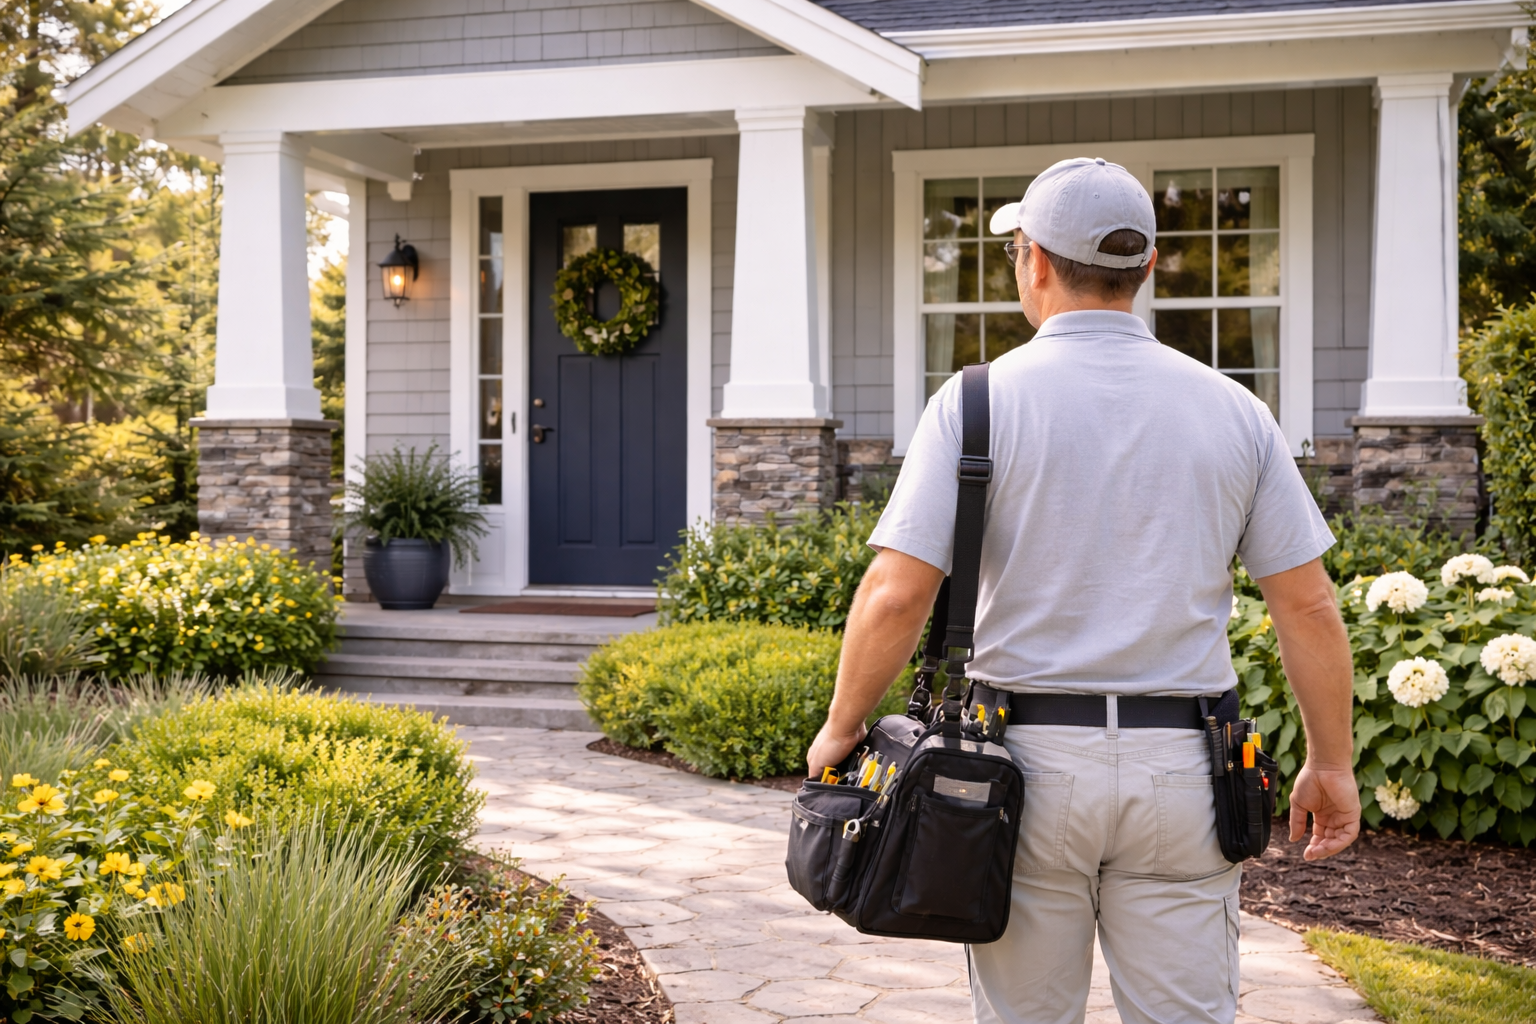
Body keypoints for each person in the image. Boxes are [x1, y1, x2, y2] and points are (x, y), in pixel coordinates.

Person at [805, 157, 1361, 1024]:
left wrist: (842, 729)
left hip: (1016, 773)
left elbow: (895, 594)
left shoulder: (974, 403)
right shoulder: (1234, 408)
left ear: (1031, 260)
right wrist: (1331, 763)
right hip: (1185, 771)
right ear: (1143, 269)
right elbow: (1308, 604)